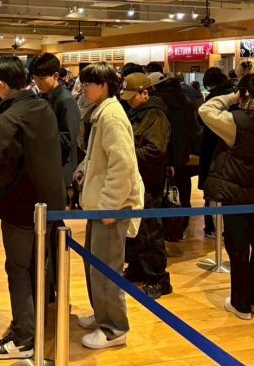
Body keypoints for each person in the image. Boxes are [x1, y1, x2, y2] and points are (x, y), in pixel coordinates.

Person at [0, 57, 65, 360]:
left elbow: (1, 173)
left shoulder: (8, 118)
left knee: (18, 270)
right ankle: (33, 327)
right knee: (38, 268)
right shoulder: (43, 107)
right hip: (48, 204)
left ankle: (24, 338)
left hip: (21, 206)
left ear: (1, 85)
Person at [199, 74, 254, 320]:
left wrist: (231, 97)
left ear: (243, 94)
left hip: (235, 193)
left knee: (238, 247)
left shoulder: (234, 121)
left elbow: (206, 110)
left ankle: (241, 304)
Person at [73, 63, 144, 350]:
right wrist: (83, 170)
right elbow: (99, 157)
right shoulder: (102, 112)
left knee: (107, 270)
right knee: (96, 266)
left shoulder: (111, 116)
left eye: (88, 84)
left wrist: (109, 206)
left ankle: (115, 328)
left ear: (104, 85)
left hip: (111, 209)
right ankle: (103, 315)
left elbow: (122, 165)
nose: (83, 89)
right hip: (99, 206)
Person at [121, 72, 172, 299]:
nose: (129, 100)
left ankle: (158, 279)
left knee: (150, 232)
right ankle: (137, 269)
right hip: (135, 181)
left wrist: (127, 156)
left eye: (133, 96)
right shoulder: (136, 112)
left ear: (145, 93)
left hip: (149, 182)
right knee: (135, 230)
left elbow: (155, 150)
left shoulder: (156, 115)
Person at [155, 73, 200, 241]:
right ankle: (180, 228)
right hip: (182, 157)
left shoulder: (157, 102)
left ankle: (165, 230)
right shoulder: (186, 102)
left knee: (162, 194)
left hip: (162, 157)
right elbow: (194, 130)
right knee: (182, 193)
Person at [29, 53, 81, 200]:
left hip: (60, 169)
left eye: (41, 78)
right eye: (35, 78)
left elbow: (68, 139)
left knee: (54, 211)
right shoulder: (42, 96)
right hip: (45, 167)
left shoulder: (65, 100)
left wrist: (36, 135)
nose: (37, 83)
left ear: (56, 75)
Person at [197, 67, 235, 238]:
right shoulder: (234, 94)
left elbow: (201, 117)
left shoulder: (214, 97)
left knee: (210, 188)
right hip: (230, 147)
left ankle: (211, 227)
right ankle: (228, 228)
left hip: (212, 146)